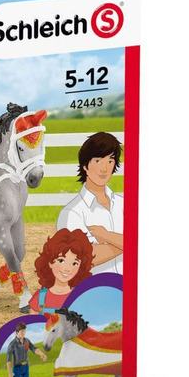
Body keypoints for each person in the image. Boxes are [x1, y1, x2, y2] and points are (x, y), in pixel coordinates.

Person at [57, 132, 124, 274]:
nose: (104, 169)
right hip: (94, 286)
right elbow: (82, 257)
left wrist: (106, 235)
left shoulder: (124, 205)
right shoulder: (72, 212)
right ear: (85, 166)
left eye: (110, 161)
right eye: (98, 161)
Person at [29, 228, 94, 315]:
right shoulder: (40, 297)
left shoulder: (79, 298)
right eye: (61, 261)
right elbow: (31, 322)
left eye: (75, 263)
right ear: (50, 262)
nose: (67, 269)